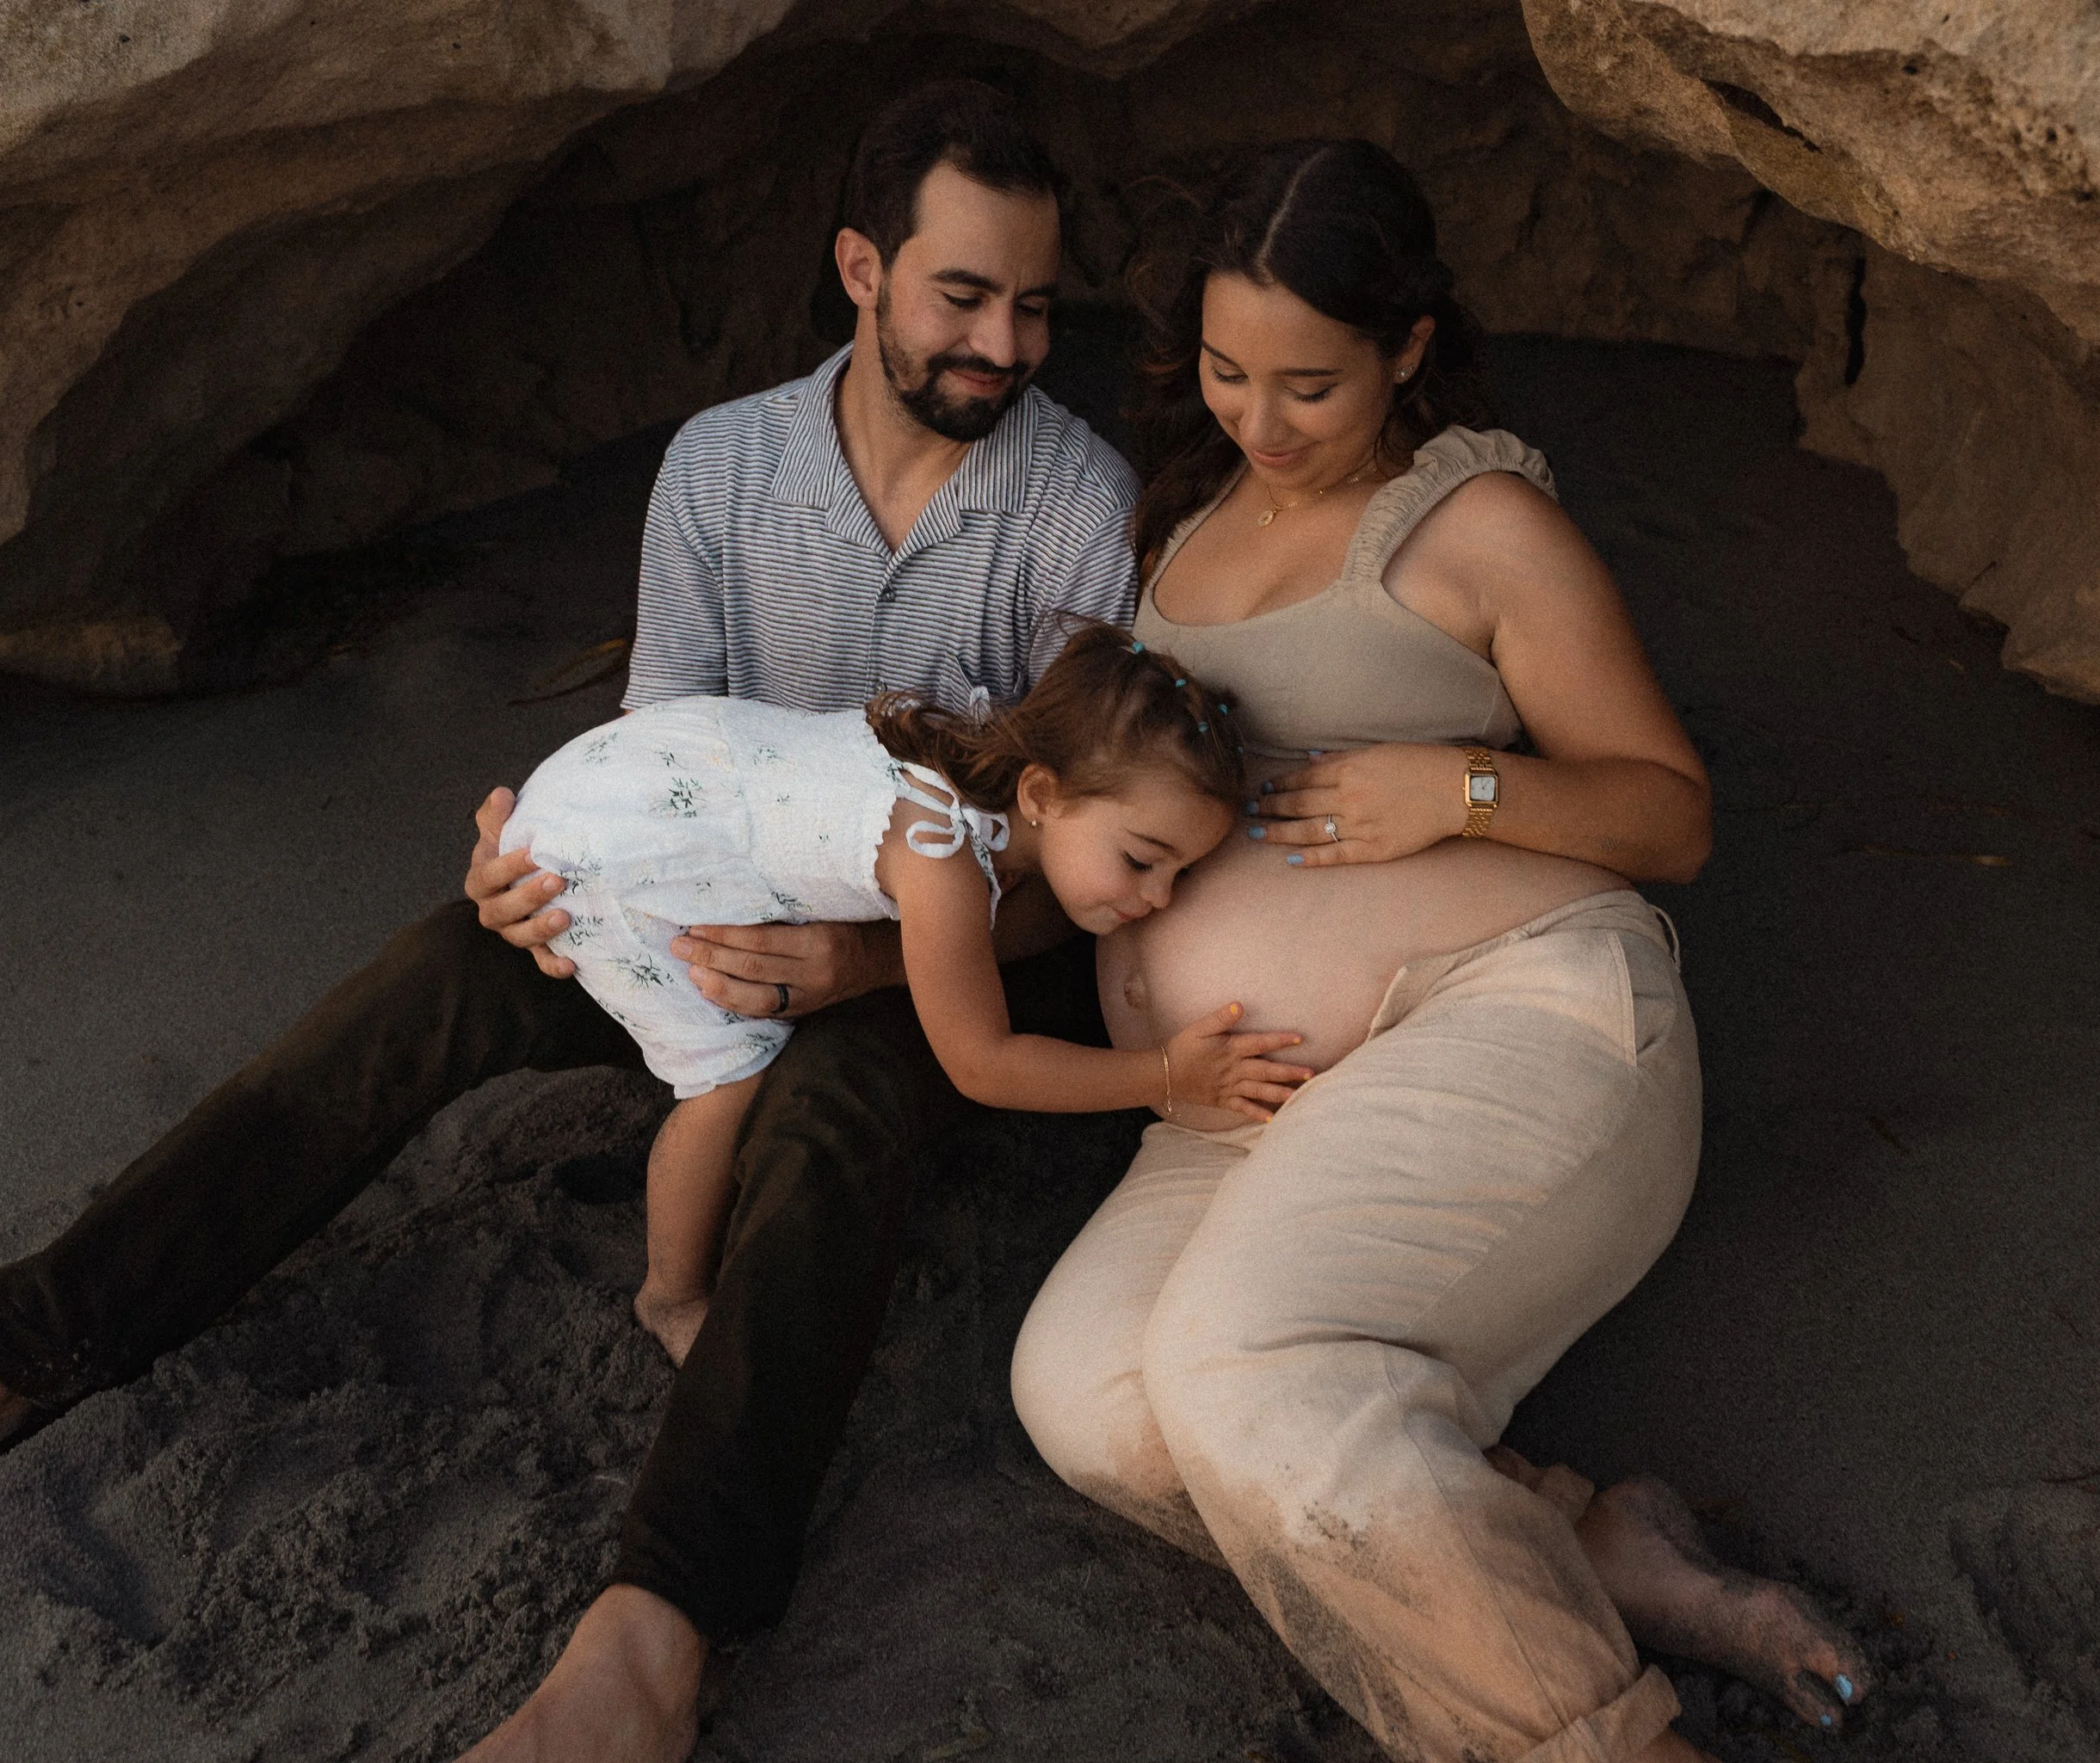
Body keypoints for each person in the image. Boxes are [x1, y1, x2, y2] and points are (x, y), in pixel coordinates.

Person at [0, 81, 1143, 1762]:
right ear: (857, 268)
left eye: (1031, 304)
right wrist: (527, 854)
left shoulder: (1077, 512)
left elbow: (1083, 860)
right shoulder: (721, 468)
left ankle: (646, 1643)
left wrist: (860, 962)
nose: (1001, 339)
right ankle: (42, 1335)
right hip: (681, 894)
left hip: (912, 956)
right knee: (425, 979)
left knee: (829, 1132)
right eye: (961, 294)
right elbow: (647, 748)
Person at [1008, 139, 1873, 1763]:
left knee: (1234, 1366)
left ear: (1407, 350)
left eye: (1309, 386)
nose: (1260, 422)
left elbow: (1670, 814)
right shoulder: (1182, 525)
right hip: (1242, 1093)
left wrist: (1462, 786)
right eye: (1225, 371)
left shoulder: (1475, 523)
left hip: (1521, 1016)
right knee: (1092, 1398)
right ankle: (1584, 1545)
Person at [501, 626, 1310, 1366]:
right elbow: (982, 1064)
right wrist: (1165, 1074)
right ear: (1040, 794)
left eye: (1182, 872)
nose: (1161, 898)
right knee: (730, 1079)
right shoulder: (937, 853)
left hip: (637, 771)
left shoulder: (968, 771)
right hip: (602, 852)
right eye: (1142, 859)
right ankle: (669, 1292)